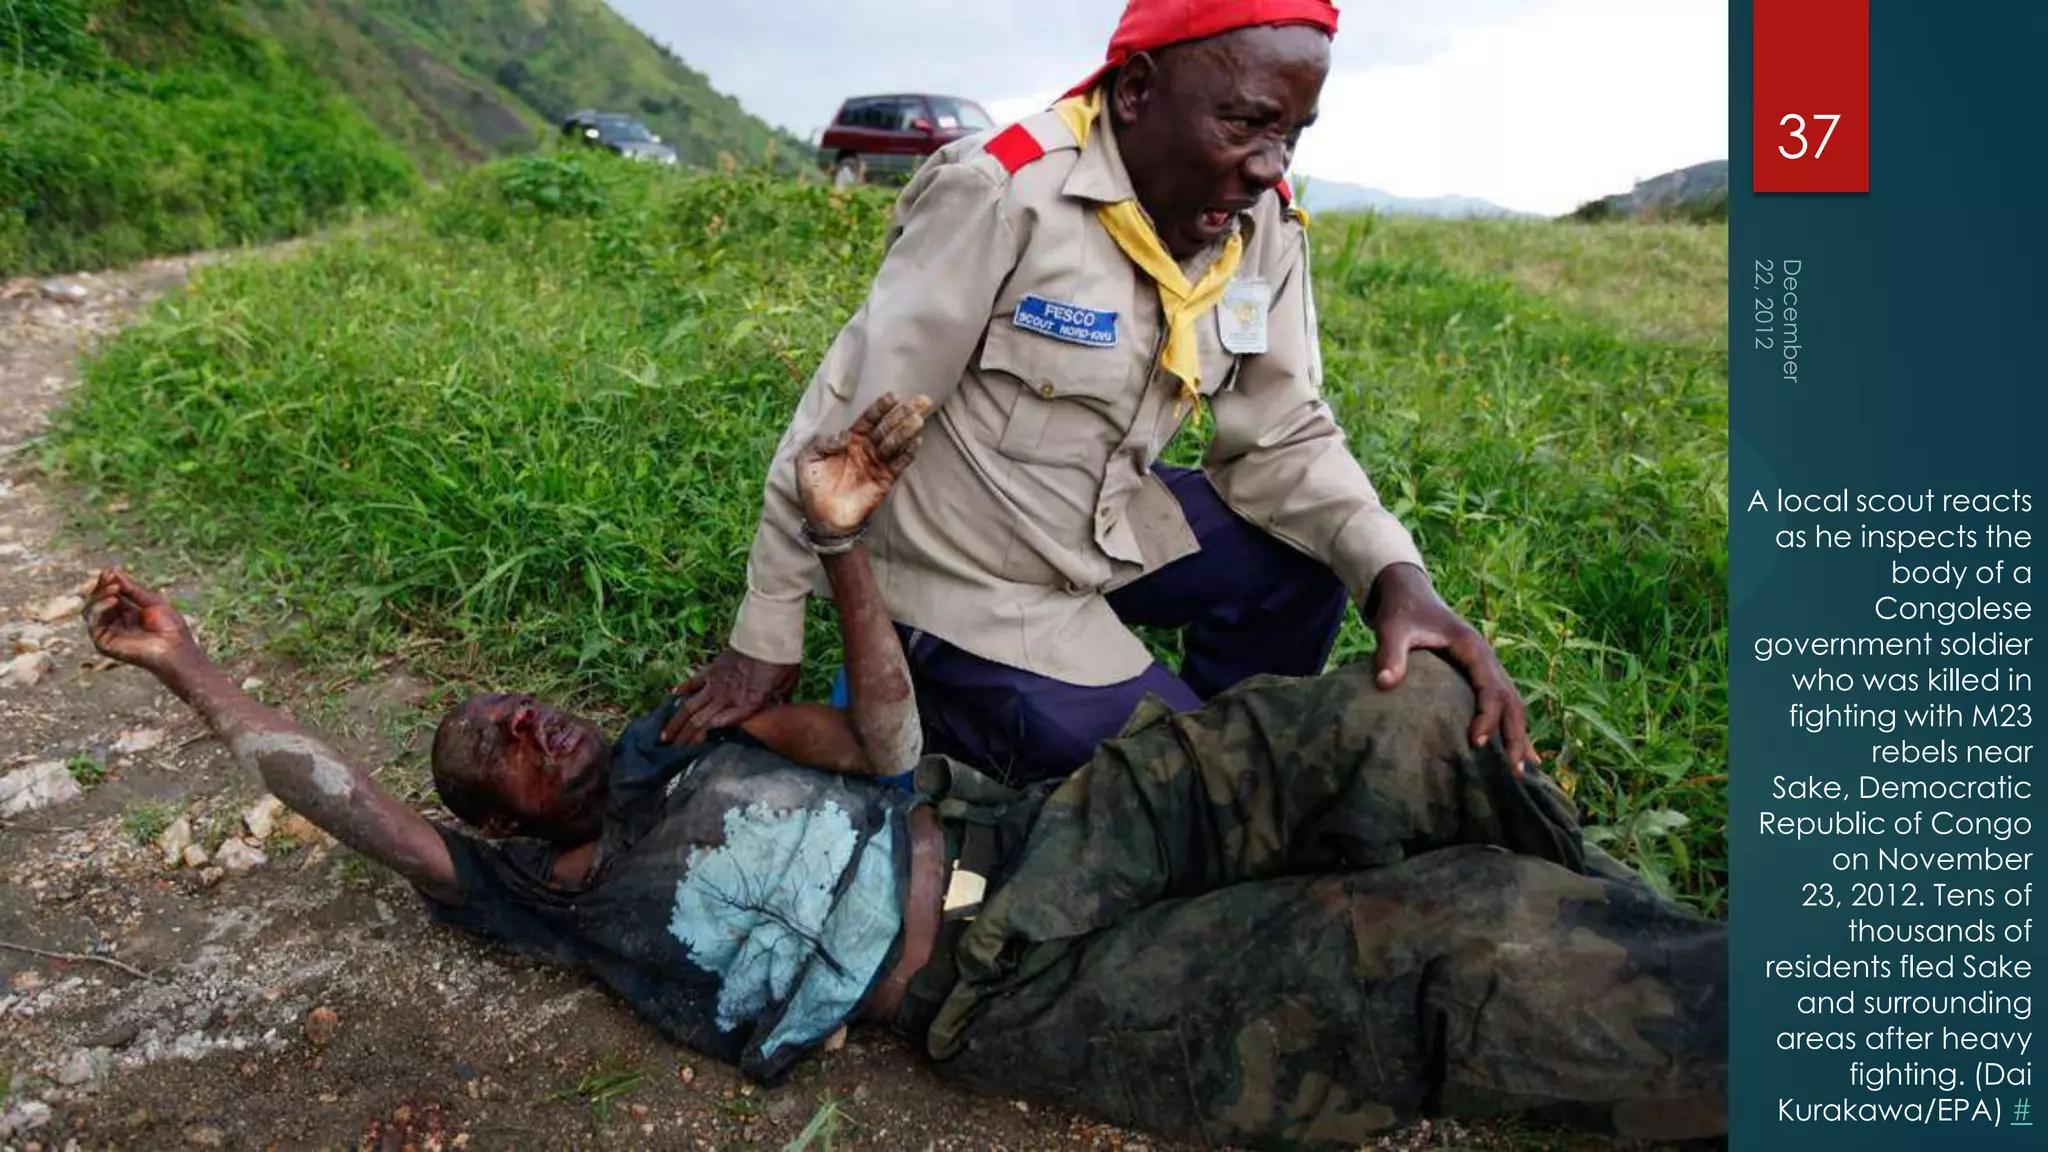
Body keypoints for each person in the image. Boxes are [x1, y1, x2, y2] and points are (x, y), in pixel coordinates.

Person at [83, 395, 1725, 1147]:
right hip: (1010, 986)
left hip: (1048, 829)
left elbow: (884, 741)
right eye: (489, 748)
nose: (526, 721)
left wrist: (844, 552)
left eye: (517, 702)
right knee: (1434, 951)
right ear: (495, 820)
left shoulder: (695, 744)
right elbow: (341, 800)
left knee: (1385, 724)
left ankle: (1656, 935)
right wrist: (186, 663)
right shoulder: (547, 893)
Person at [668, 0, 1541, 786]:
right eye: (1246, 122)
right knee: (1179, 780)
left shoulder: (1258, 227)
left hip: (1099, 533)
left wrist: (1397, 579)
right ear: (1136, 91)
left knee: (1309, 557)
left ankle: (1196, 741)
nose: (1269, 165)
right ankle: (1072, 733)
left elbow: (1285, 433)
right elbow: (838, 434)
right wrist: (765, 637)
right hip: (962, 583)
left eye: (1295, 133)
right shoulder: (1006, 195)